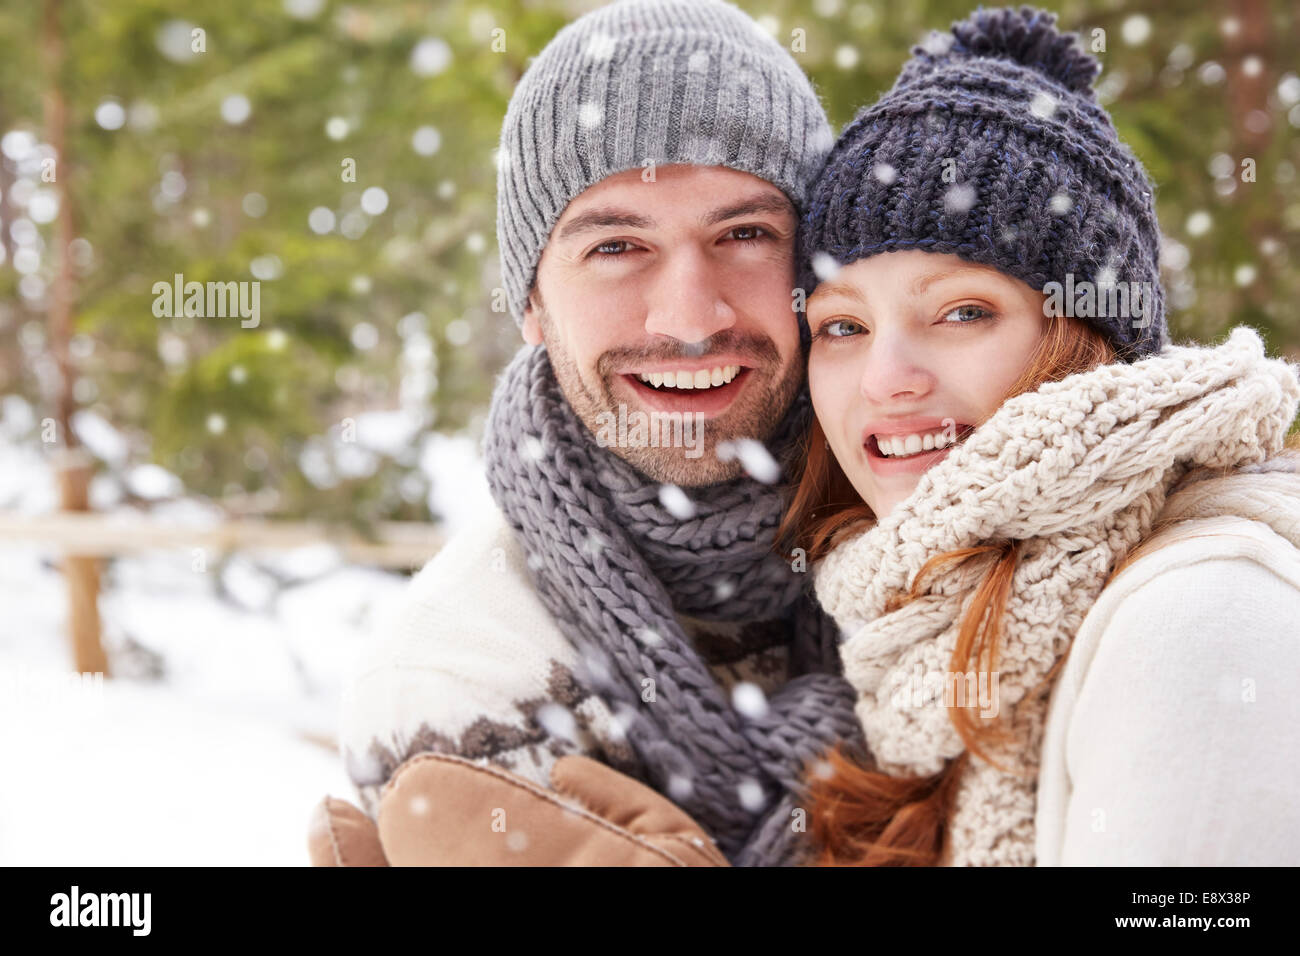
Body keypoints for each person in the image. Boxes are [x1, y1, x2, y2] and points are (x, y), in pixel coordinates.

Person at [315, 0, 866, 868]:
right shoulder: (459, 682)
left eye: (747, 232)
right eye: (616, 246)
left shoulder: (946, 516)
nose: (690, 316)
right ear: (531, 303)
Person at [782, 6, 1300, 865]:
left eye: (962, 312)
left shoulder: (1202, 615)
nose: (883, 378)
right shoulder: (903, 629)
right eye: (842, 326)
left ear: (1090, 339)